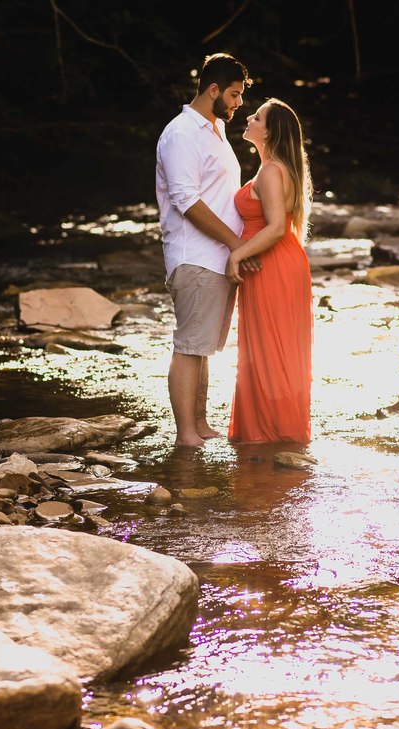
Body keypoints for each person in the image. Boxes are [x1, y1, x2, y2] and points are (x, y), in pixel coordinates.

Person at [155, 53, 254, 448]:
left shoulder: (214, 130)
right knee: (189, 346)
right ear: (212, 89)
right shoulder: (181, 133)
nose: (239, 103)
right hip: (194, 256)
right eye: (234, 94)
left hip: (216, 258)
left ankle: (200, 422)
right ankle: (185, 435)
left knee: (203, 347)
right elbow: (186, 200)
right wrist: (236, 243)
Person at [225, 99, 314, 444]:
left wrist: (237, 256)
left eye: (257, 116)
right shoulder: (276, 169)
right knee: (273, 349)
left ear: (271, 131)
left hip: (272, 263)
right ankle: (277, 431)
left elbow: (277, 227)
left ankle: (273, 432)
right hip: (276, 261)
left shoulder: (271, 171)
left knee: (271, 350)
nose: (249, 117)